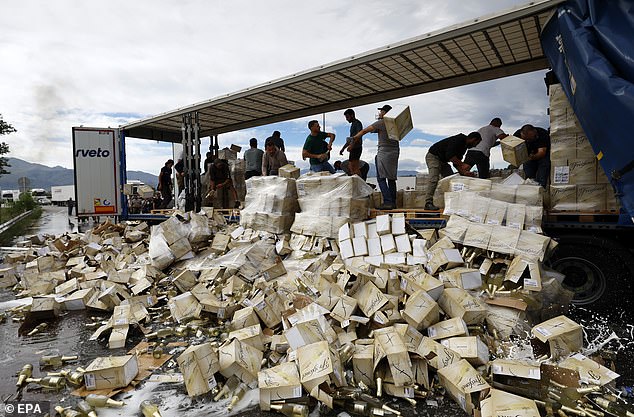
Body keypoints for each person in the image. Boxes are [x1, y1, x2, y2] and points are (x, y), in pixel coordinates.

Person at [351, 104, 398, 209]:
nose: (380, 113)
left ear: (385, 113)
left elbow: (364, 131)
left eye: (381, 111)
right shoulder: (395, 124)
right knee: (391, 178)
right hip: (394, 152)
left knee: (381, 178)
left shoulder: (381, 122)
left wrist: (354, 138)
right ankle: (393, 202)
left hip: (384, 152)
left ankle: (387, 202)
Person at [424, 132, 482, 211]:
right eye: (476, 143)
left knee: (451, 180)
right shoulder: (459, 140)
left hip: (443, 160)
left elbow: (455, 163)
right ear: (473, 139)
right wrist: (462, 165)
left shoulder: (464, 147)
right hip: (434, 156)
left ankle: (453, 203)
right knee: (434, 179)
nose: (475, 145)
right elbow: (450, 156)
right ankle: (428, 203)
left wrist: (464, 172)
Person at [339, 109, 364, 176]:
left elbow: (358, 136)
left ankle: (360, 183)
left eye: (347, 117)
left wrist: (352, 145)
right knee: (351, 167)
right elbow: (351, 139)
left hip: (357, 147)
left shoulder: (357, 123)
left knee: (354, 168)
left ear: (352, 115)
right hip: (353, 148)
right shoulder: (353, 124)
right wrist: (343, 148)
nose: (347, 119)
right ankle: (357, 182)